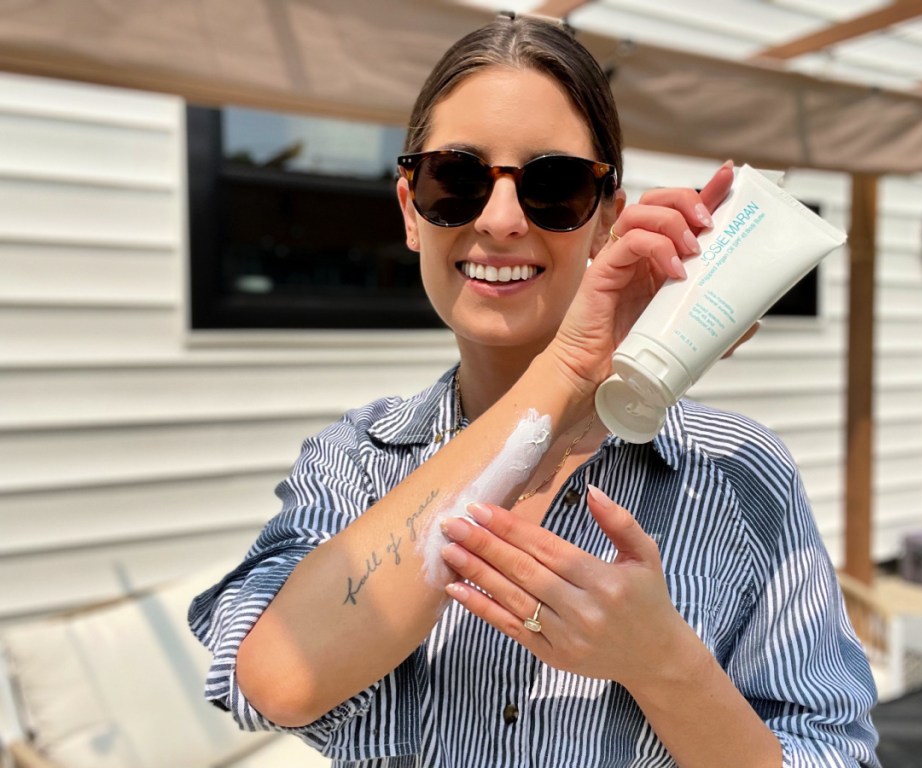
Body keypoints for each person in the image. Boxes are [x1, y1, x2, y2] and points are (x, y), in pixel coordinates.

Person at [189, 13, 880, 768]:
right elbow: (276, 681)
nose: (502, 219)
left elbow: (831, 751)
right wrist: (567, 373)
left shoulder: (739, 472)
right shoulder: (358, 459)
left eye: (553, 186)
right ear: (410, 211)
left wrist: (664, 665)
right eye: (454, 179)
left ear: (607, 216)